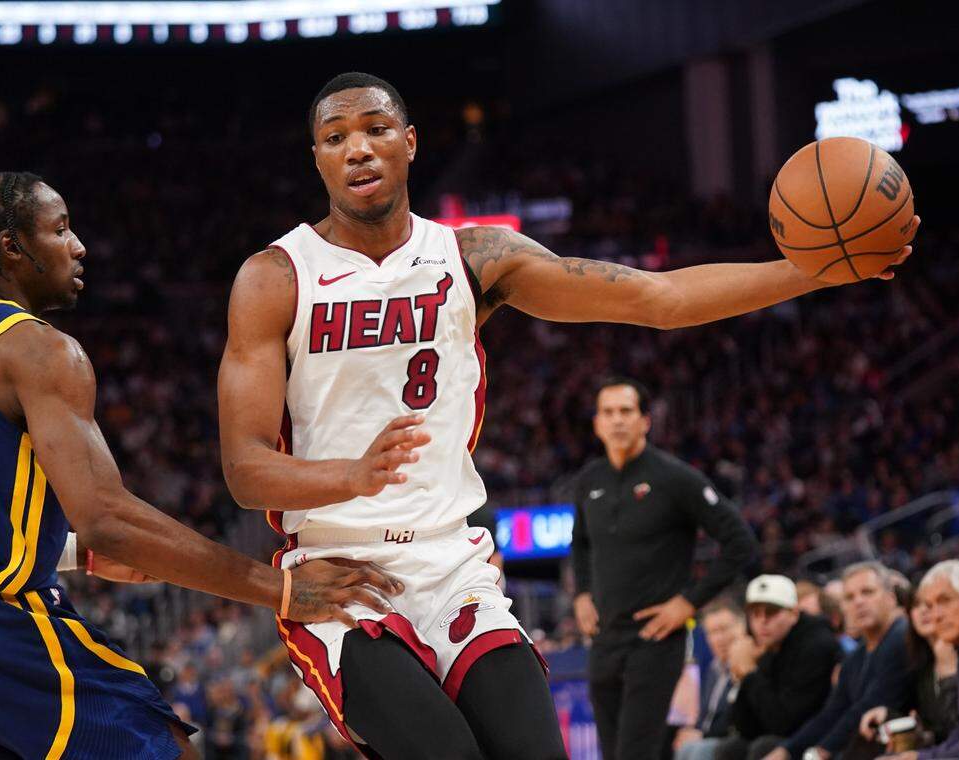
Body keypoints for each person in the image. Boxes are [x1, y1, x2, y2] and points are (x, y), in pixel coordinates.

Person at [216, 70, 916, 760]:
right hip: (338, 573)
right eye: (335, 137)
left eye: (374, 129)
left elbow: (657, 300)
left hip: (448, 558)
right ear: (318, 159)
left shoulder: (472, 256)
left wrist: (815, 271)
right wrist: (352, 475)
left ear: (409, 140)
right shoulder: (275, 277)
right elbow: (246, 472)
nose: (357, 148)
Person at [0, 172, 401, 759]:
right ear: (11, 247)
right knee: (168, 748)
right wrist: (283, 589)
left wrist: (74, 555)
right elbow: (108, 517)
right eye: (61, 229)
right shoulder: (36, 348)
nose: (79, 246)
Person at [572, 376, 758, 759]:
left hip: (656, 639)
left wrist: (689, 603)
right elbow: (580, 542)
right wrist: (582, 593)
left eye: (627, 411)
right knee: (613, 752)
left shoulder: (674, 477)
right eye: (608, 412)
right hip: (605, 638)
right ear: (597, 424)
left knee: (634, 753)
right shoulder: (589, 480)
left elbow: (740, 541)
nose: (617, 420)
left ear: (645, 421)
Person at [762, 562, 910, 760]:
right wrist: (786, 751)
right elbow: (831, 713)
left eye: (867, 592)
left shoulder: (902, 637)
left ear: (890, 598)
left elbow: (871, 704)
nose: (858, 602)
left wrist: (822, 750)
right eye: (849, 597)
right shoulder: (856, 657)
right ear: (843, 608)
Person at [715, 575, 842, 760]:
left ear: (794, 613)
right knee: (730, 748)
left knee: (765, 747)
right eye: (755, 614)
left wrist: (750, 673)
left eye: (771, 612)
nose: (762, 622)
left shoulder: (816, 646)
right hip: (783, 734)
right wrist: (741, 676)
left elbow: (785, 723)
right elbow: (745, 727)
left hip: (817, 738)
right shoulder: (772, 647)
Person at [879, 560, 959, 760]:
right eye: (929, 605)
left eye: (944, 601)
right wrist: (920, 755)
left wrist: (924, 758)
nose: (935, 615)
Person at [859, 582, 959, 751]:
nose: (923, 611)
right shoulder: (921, 664)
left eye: (930, 604)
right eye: (916, 605)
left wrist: (949, 674)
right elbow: (938, 730)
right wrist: (889, 715)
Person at [675, 598, 748, 760]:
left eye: (724, 629)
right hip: (707, 741)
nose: (719, 638)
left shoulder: (749, 666)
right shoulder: (713, 670)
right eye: (712, 632)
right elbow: (704, 717)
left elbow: (736, 717)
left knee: (696, 751)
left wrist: (702, 735)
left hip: (732, 741)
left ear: (742, 626)